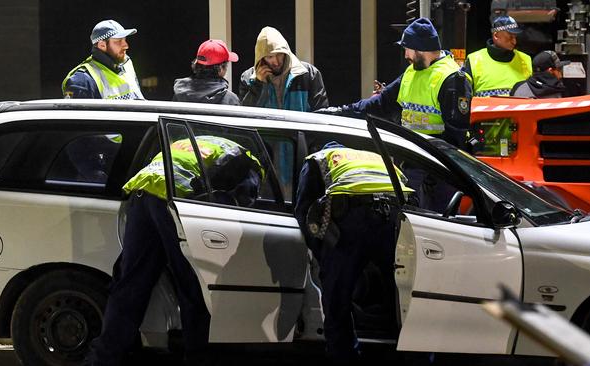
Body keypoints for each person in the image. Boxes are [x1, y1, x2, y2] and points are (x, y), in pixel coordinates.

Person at [86, 136, 262, 366]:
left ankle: (103, 359)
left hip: (142, 191)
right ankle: (197, 357)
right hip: (173, 200)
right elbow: (237, 204)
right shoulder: (248, 161)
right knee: (194, 286)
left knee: (130, 284)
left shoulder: (200, 141)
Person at [294, 141, 412, 363]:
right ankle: (414, 354)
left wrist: (323, 255)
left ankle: (345, 357)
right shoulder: (375, 158)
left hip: (350, 221)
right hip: (393, 218)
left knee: (337, 301)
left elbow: (304, 212)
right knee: (403, 296)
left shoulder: (317, 159)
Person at [316, 17, 472, 149]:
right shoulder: (412, 72)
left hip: (437, 170)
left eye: (407, 49)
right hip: (414, 160)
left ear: (420, 48)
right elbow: (379, 104)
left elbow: (455, 136)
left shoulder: (452, 79)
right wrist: (338, 112)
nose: (405, 55)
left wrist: (436, 176)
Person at [238, 26, 329, 111]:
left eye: (280, 54)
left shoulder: (308, 73)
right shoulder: (248, 77)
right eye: (270, 57)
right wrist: (257, 84)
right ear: (261, 58)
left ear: (286, 52)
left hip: (300, 128)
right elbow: (245, 115)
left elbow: (321, 114)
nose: (276, 62)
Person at [62, 19, 144, 100]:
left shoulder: (127, 64)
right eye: (119, 41)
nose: (126, 46)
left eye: (125, 40)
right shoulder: (82, 80)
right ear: (102, 45)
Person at [464, 15, 532, 97]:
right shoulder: (474, 60)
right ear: (496, 36)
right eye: (510, 37)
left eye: (515, 37)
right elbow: (464, 97)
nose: (514, 42)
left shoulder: (525, 60)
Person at [173, 39, 240, 105]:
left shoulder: (179, 94)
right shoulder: (231, 100)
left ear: (196, 65)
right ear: (221, 69)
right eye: (226, 65)